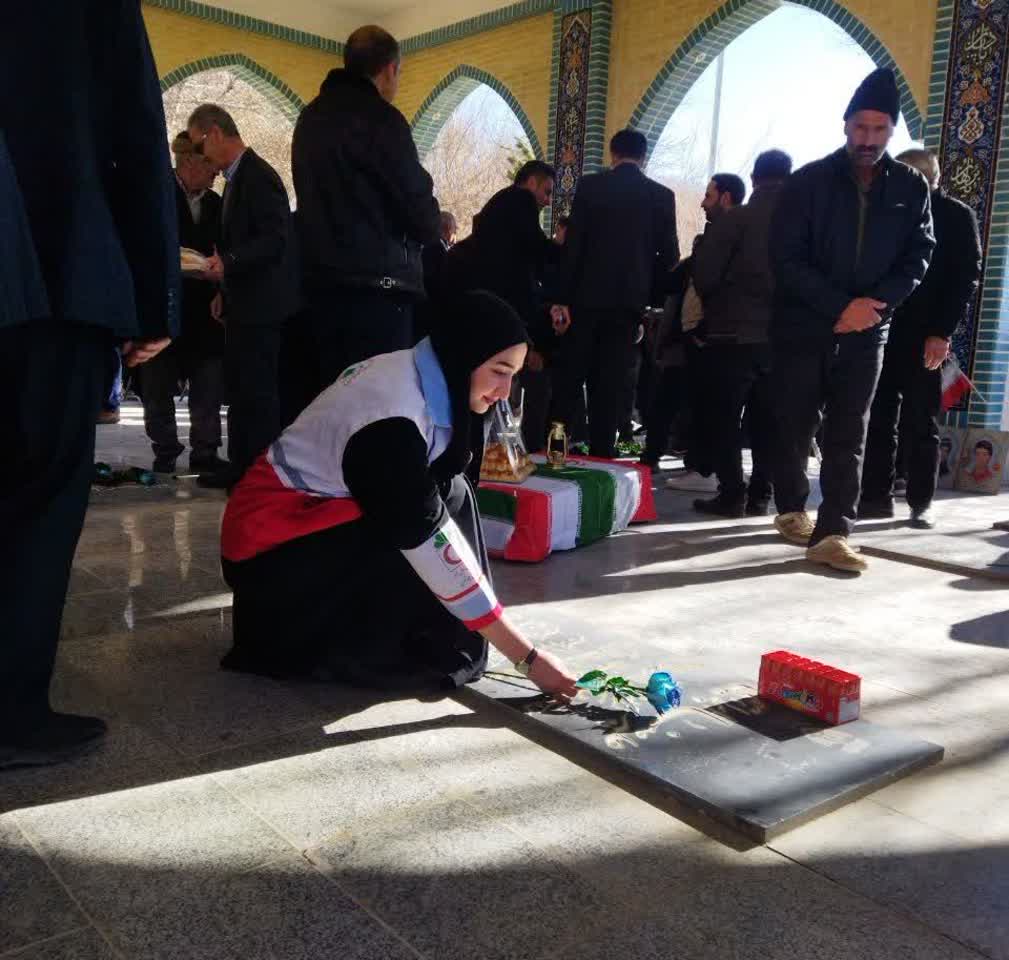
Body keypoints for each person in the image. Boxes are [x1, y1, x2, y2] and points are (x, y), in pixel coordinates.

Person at [219, 290, 578, 699]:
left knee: (450, 490)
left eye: (513, 375)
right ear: (463, 354)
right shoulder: (390, 422)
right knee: (406, 522)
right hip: (269, 556)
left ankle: (430, 629)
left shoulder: (419, 370)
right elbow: (426, 538)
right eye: (499, 371)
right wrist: (527, 658)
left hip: (304, 521)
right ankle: (360, 642)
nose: (505, 391)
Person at [1, 1, 176, 768]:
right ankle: (9, 712)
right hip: (53, 268)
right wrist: (152, 296)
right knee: (39, 494)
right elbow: (131, 129)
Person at [770, 68, 934, 573]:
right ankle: (791, 508)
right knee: (796, 425)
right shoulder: (808, 182)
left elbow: (919, 255)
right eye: (861, 127)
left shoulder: (910, 187)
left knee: (849, 431)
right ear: (845, 126)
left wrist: (873, 308)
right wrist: (840, 307)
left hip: (868, 332)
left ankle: (834, 531)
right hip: (805, 326)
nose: (868, 138)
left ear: (892, 131)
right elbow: (786, 258)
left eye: (879, 129)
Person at [293, 25, 440, 392]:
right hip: (377, 298)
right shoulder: (383, 120)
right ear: (389, 69)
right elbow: (420, 214)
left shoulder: (309, 119)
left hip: (318, 291)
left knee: (327, 406)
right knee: (375, 407)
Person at [860, 149, 982, 528]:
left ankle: (920, 501)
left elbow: (964, 279)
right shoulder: (887, 214)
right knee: (879, 416)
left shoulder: (956, 216)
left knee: (921, 420)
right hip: (882, 330)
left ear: (926, 179)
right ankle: (875, 497)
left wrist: (941, 332)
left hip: (926, 335)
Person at [189, 104, 300, 488]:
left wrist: (229, 263)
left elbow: (275, 239)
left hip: (262, 307)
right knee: (240, 389)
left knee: (258, 393)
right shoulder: (236, 179)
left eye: (200, 146)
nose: (201, 157)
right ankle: (240, 465)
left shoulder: (259, 176)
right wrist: (223, 287)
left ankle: (257, 475)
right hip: (243, 303)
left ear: (216, 133)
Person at [550, 129, 679, 458]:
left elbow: (574, 247)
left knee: (569, 380)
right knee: (609, 386)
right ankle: (602, 456)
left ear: (613, 154)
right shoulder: (661, 196)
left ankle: (555, 451)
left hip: (584, 302)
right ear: (643, 157)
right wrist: (648, 301)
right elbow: (669, 258)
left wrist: (561, 297)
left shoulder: (591, 187)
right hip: (627, 307)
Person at [688, 151, 793, 517]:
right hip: (782, 338)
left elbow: (705, 277)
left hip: (732, 335)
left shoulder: (736, 221)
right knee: (769, 421)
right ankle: (761, 494)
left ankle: (732, 492)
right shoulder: (804, 222)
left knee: (725, 418)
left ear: (754, 178)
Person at [441, 160, 559, 453]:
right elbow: (529, 262)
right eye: (546, 192)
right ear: (531, 182)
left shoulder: (499, 209)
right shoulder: (519, 201)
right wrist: (565, 251)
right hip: (498, 313)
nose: (547, 201)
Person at [142, 132, 227, 476]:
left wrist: (222, 285)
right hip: (164, 306)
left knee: (208, 383)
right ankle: (164, 450)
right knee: (157, 383)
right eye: (210, 164)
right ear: (191, 163)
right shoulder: (156, 195)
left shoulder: (218, 204)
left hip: (206, 307)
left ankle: (205, 451)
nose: (217, 171)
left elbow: (225, 249)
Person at [664, 173, 746, 492]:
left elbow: (715, 284)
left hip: (714, 335)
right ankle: (702, 467)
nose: (702, 203)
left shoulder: (732, 235)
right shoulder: (718, 234)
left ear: (725, 197)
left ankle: (707, 470)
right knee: (700, 403)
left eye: (709, 196)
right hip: (703, 332)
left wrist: (704, 326)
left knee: (713, 407)